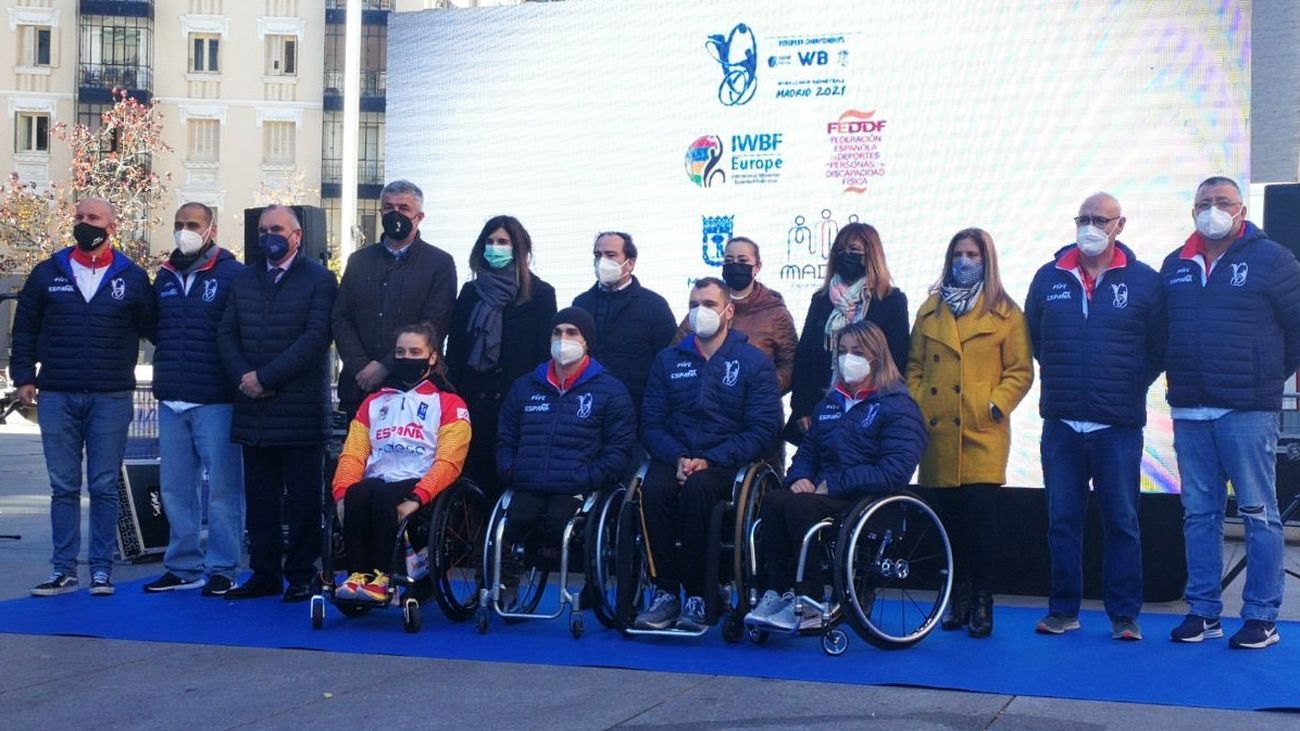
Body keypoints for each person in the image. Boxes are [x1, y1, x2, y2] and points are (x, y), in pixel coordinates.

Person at [1161, 176, 1300, 650]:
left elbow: (1297, 328)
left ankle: (1262, 615)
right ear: (1192, 210)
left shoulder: (1273, 260)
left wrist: (1265, 378)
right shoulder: (1174, 265)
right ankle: (1203, 611)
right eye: (1204, 202)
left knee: (1259, 514)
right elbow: (1163, 332)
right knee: (1199, 514)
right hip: (1191, 411)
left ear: (1241, 209)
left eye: (1222, 202)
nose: (1212, 209)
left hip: (1246, 411)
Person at [1024, 193, 1165, 641]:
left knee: (1121, 522)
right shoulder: (1049, 278)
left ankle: (1124, 616)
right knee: (1062, 521)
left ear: (1119, 225)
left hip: (1117, 425)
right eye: (1083, 218)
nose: (1090, 226)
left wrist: (1125, 382)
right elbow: (1035, 339)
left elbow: (1158, 347)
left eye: (1099, 219)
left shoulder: (1144, 281)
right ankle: (1063, 610)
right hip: (1063, 423)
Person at [10, 197, 155, 597]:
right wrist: (22, 376)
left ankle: (102, 571)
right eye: (79, 217)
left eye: (92, 218)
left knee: (105, 484)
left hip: (111, 396)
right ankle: (63, 570)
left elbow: (156, 328)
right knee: (64, 486)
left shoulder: (133, 277)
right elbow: (24, 330)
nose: (83, 223)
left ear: (111, 225)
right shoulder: (48, 272)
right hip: (57, 394)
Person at [745, 321, 927, 631]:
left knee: (801, 508)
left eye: (857, 352)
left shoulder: (898, 405)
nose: (848, 359)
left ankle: (811, 601)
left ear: (876, 356)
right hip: (825, 492)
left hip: (864, 497)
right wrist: (798, 478)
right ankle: (778, 592)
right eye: (842, 352)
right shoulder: (830, 403)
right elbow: (808, 452)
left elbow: (895, 470)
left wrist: (836, 483)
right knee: (776, 501)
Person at [634, 277, 782, 631]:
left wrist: (711, 459)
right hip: (676, 458)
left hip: (725, 463)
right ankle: (666, 592)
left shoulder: (753, 361)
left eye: (710, 304)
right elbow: (651, 423)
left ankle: (701, 595)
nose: (701, 312)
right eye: (694, 304)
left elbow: (764, 428)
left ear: (729, 311)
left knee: (700, 490)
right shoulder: (668, 360)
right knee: (652, 490)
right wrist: (679, 458)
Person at [906, 227, 1033, 638]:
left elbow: (1020, 370)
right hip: (938, 430)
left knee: (982, 524)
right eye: (958, 253)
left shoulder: (1007, 313)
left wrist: (993, 403)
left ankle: (982, 601)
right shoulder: (929, 310)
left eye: (973, 254)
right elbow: (914, 368)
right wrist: (920, 402)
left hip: (982, 431)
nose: (964, 261)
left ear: (987, 260)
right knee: (950, 524)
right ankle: (956, 597)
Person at [218, 205, 337, 602]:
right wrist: (246, 378)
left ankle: (302, 574)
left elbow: (316, 338)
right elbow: (227, 334)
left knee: (303, 500)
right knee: (261, 499)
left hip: (300, 409)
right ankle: (264, 573)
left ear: (297, 235)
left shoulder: (320, 280)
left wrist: (266, 378)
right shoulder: (244, 280)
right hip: (254, 411)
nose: (269, 235)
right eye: (263, 229)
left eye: (277, 229)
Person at [144, 202, 245, 596]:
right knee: (175, 488)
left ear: (211, 230)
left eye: (192, 224)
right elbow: (156, 327)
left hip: (216, 399)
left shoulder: (233, 275)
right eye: (179, 224)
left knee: (223, 489)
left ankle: (222, 567)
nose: (184, 230)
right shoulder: (164, 277)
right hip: (172, 399)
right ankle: (183, 566)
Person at [330, 322, 470, 601]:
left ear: (432, 357)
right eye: (400, 352)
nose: (406, 358)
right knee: (358, 493)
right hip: (379, 476)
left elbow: (449, 461)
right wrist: (342, 492)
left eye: (415, 351)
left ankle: (384, 577)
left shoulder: (451, 403)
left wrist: (418, 498)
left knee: (382, 496)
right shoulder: (373, 402)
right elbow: (354, 453)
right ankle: (359, 575)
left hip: (419, 477)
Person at [495, 308, 636, 574]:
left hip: (575, 484)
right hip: (529, 480)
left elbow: (619, 447)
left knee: (562, 521)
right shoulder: (525, 387)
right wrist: (510, 469)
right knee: (517, 518)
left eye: (572, 333)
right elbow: (506, 437)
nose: (564, 339)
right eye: (557, 332)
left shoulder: (611, 391)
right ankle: (502, 581)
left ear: (587, 341)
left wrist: (590, 476)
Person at [445, 215, 556, 503]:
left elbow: (544, 354)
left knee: (509, 477)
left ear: (519, 248)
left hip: (517, 400)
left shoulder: (541, 295)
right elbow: (456, 349)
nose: (495, 247)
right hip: (472, 400)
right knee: (472, 478)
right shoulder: (470, 293)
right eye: (490, 241)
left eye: (503, 242)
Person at [332, 180, 457, 420]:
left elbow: (435, 324)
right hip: (360, 388)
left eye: (403, 208)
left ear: (419, 217)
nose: (395, 214)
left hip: (413, 389)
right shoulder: (358, 261)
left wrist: (385, 366)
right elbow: (341, 317)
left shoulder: (439, 263)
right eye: (389, 208)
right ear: (380, 213)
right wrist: (361, 367)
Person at [788, 222, 909, 445]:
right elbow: (805, 356)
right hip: (821, 408)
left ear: (871, 254)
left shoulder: (891, 301)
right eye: (841, 250)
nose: (846, 256)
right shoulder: (821, 299)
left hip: (871, 409)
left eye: (853, 250)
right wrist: (802, 408)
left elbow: (898, 360)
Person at [572, 231, 676, 412]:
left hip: (636, 406)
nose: (602, 261)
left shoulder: (654, 305)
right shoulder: (581, 304)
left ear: (631, 263)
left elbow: (667, 362)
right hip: (585, 405)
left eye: (611, 255)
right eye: (598, 255)